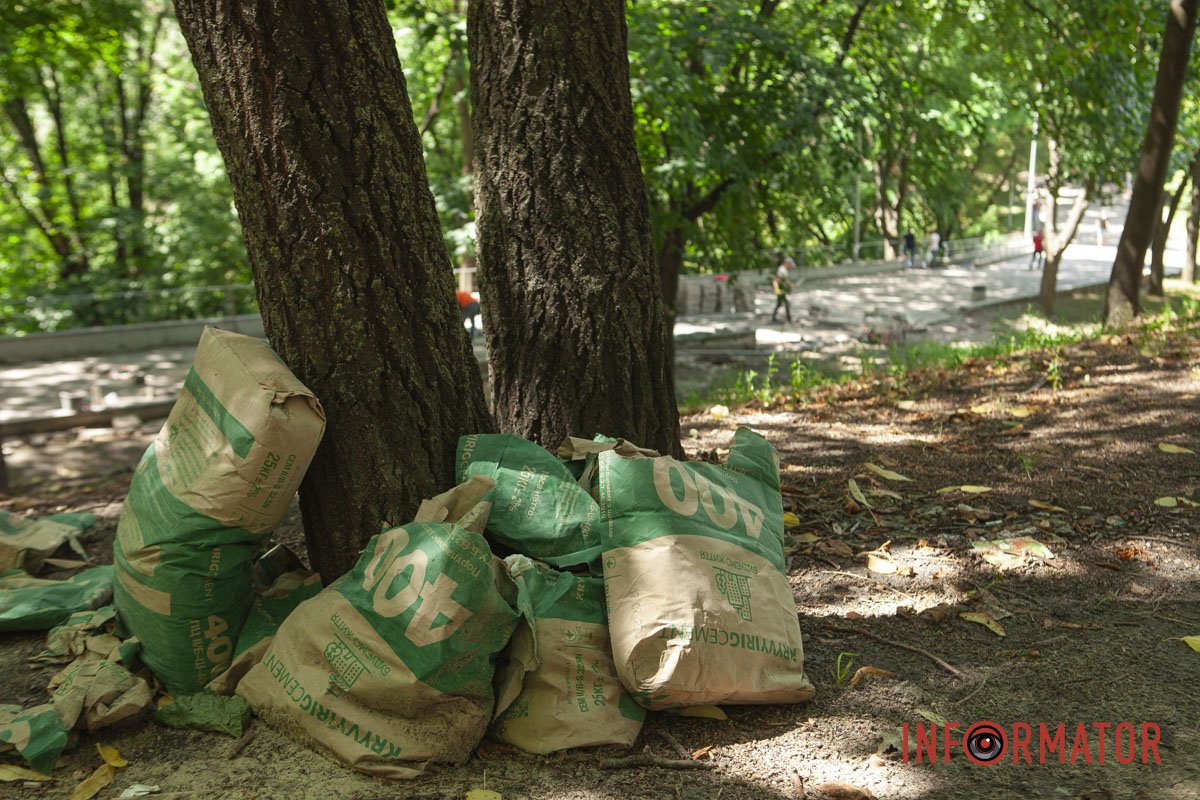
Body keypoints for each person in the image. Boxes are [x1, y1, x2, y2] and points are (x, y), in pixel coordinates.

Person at [771, 257, 794, 324]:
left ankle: (775, 317)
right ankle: (788, 318)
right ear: (787, 263)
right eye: (790, 265)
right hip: (780, 290)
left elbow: (784, 280)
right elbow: (776, 280)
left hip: (782, 290)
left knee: (780, 303)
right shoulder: (782, 270)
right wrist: (777, 289)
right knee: (786, 303)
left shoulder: (784, 270)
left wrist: (789, 284)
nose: (791, 267)